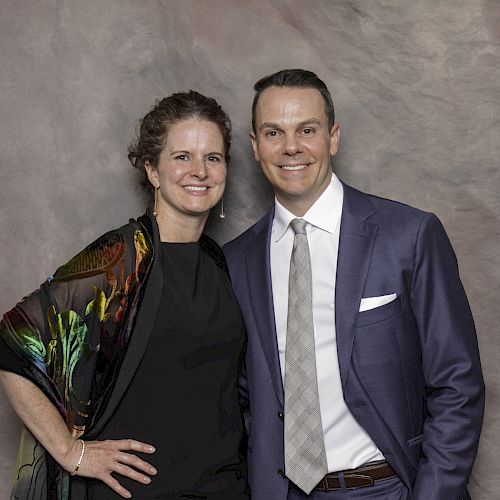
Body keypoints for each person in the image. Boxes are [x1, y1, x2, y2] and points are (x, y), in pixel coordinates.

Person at [223, 69, 484, 500]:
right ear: (255, 146)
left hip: (388, 488)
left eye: (307, 130)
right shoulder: (236, 261)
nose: (291, 147)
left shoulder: (409, 235)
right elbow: (228, 392)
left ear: (334, 137)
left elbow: (458, 383)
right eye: (274, 132)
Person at [0, 90, 249, 499]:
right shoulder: (122, 256)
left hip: (222, 487)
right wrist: (71, 453)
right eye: (182, 156)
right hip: (135, 491)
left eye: (213, 157)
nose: (199, 171)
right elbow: (12, 342)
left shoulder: (215, 260)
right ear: (152, 170)